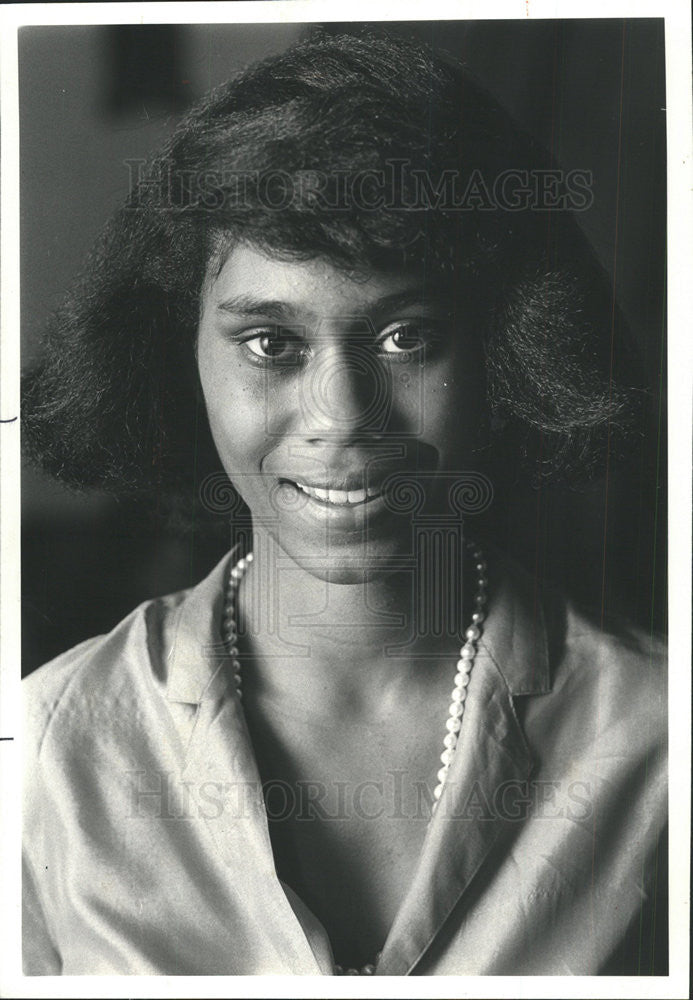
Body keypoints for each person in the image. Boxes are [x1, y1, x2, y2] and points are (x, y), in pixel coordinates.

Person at [21, 30, 666, 976]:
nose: (343, 418)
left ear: (506, 350)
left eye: (407, 337)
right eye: (270, 343)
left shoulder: (657, 746)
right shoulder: (47, 750)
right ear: (177, 352)